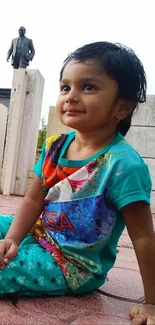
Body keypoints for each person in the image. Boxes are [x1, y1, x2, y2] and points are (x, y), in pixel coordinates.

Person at [0, 41, 155, 324]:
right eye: (65, 87)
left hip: (71, 264)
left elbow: (143, 237)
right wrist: (13, 238)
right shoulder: (54, 147)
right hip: (38, 233)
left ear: (122, 107)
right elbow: (33, 200)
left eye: (88, 87)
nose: (70, 96)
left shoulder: (123, 165)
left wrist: (152, 302)